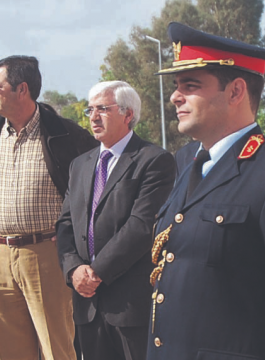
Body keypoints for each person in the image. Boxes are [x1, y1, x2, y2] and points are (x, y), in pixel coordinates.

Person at [146, 22, 265, 360]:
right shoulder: (186, 161)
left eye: (190, 85)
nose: (175, 96)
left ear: (235, 92)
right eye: (177, 86)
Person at [56, 80, 175, 360]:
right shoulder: (80, 165)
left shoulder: (153, 160)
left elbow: (142, 226)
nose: (93, 117)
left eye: (103, 109)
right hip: (86, 302)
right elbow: (65, 225)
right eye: (90, 110)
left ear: (128, 114)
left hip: (129, 304)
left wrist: (96, 272)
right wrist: (74, 270)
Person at [0, 55, 98, 360]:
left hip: (46, 255)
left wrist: (77, 234)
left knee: (57, 348)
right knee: (10, 351)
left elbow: (99, 187)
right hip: (0, 255)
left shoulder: (68, 136)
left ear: (22, 89)